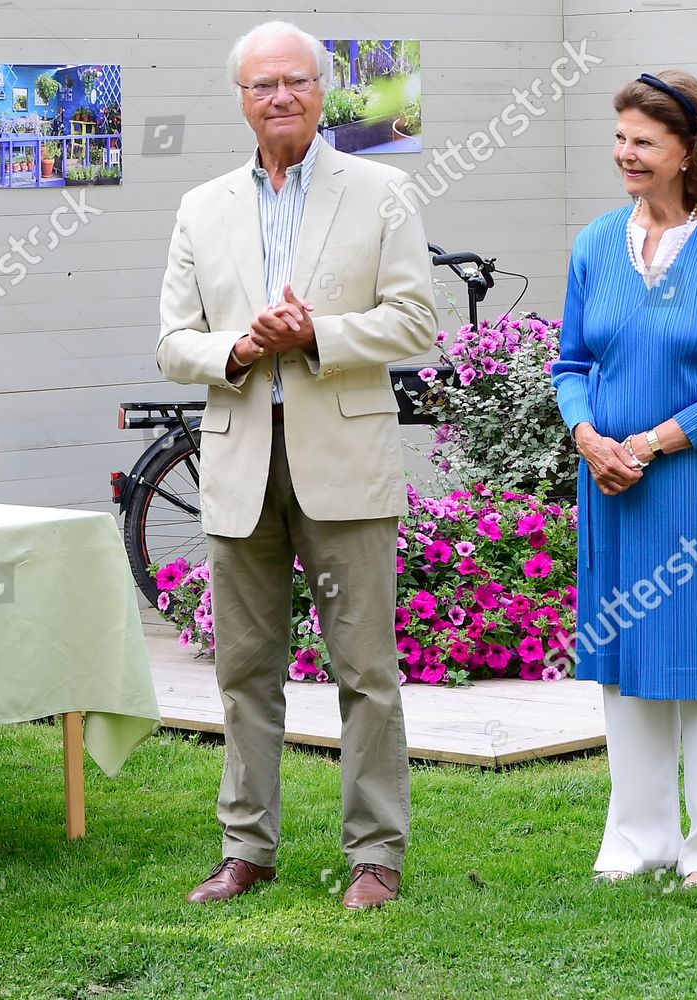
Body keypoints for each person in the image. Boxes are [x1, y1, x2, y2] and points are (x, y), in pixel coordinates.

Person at [157, 21, 437, 910]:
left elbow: (416, 323)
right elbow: (171, 344)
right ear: (240, 99)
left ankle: (376, 857)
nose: (279, 97)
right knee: (245, 670)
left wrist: (318, 332)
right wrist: (238, 348)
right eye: (260, 85)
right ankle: (247, 848)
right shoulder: (202, 207)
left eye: (295, 81)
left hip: (343, 461)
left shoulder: (383, 192)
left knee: (365, 670)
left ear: (324, 91)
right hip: (241, 463)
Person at [550, 70, 697, 889]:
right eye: (620, 138)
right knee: (626, 662)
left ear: (689, 149)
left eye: (643, 141)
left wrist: (643, 444)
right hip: (610, 488)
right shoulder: (593, 243)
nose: (625, 154)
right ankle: (640, 839)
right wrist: (588, 437)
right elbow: (571, 361)